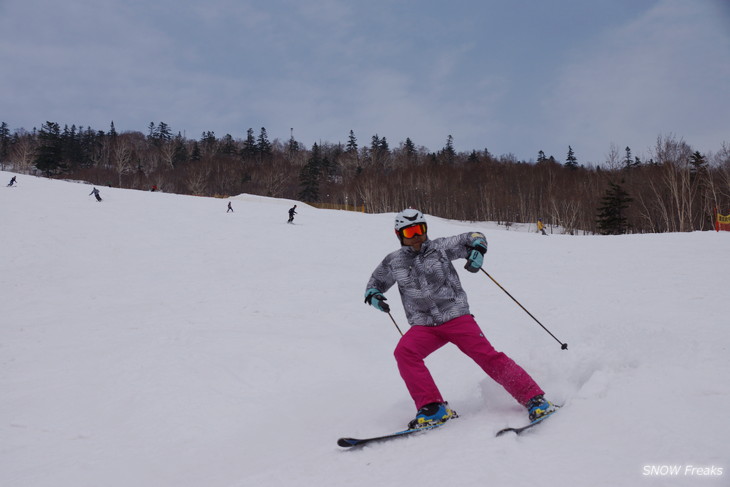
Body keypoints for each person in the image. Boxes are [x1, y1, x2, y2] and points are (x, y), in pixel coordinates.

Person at [364, 208, 556, 429]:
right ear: (399, 235)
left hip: (455, 316)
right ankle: (433, 408)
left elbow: (474, 236)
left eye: (420, 229)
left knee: (487, 356)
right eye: (410, 232)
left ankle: (535, 399)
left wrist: (478, 250)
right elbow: (375, 283)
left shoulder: (441, 248)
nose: (416, 236)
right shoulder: (393, 262)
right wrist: (374, 295)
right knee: (404, 352)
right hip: (424, 325)